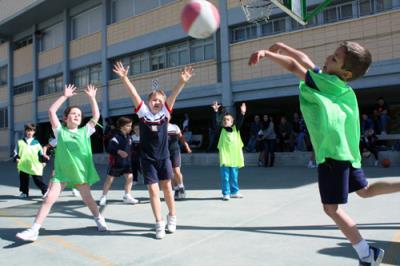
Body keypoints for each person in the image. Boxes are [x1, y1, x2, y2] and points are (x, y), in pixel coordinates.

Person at [249, 41, 400, 265]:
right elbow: (303, 58)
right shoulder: (339, 85)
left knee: (331, 208)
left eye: (335, 59)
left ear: (345, 72)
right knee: (365, 190)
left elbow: (293, 66)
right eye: (332, 54)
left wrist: (266, 54)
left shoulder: (325, 82)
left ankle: (367, 254)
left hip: (332, 154)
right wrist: (283, 46)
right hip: (347, 151)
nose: (328, 58)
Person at [16, 84, 108, 242]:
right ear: (65, 118)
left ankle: (99, 218)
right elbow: (51, 111)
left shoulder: (85, 131)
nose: (77, 116)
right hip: (62, 173)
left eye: (79, 114)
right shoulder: (60, 131)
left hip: (80, 173)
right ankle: (34, 229)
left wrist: (92, 98)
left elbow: (96, 116)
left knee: (89, 200)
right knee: (48, 199)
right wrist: (64, 96)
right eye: (73, 113)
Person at [113, 62, 193, 239]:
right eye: (154, 100)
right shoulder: (143, 114)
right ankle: (159, 223)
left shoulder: (165, 113)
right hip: (147, 159)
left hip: (164, 158)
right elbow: (134, 94)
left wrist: (182, 81)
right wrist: (125, 78)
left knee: (167, 188)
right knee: (153, 192)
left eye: (160, 100)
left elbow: (173, 95)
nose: (157, 102)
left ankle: (172, 216)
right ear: (148, 102)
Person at [99, 116, 139, 206]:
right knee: (109, 179)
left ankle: (127, 196)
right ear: (122, 126)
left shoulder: (129, 137)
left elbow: (132, 148)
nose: (130, 128)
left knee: (130, 177)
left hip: (127, 163)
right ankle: (103, 196)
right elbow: (110, 148)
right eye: (128, 126)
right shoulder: (115, 137)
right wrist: (118, 151)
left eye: (131, 125)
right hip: (116, 162)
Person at [213, 101, 246, 201]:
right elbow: (217, 121)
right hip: (225, 158)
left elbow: (240, 121)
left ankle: (235, 192)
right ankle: (226, 193)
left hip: (234, 157)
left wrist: (243, 113)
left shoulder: (236, 129)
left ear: (232, 122)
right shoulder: (221, 131)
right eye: (224, 120)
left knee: (234, 177)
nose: (225, 121)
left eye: (228, 120)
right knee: (225, 177)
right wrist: (216, 111)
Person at [13, 123, 48, 199]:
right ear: (25, 131)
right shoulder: (20, 142)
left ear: (34, 132)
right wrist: (16, 158)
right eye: (28, 130)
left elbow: (41, 153)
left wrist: (43, 161)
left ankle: (45, 191)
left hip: (34, 165)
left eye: (32, 131)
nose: (30, 132)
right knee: (23, 180)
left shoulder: (36, 143)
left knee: (38, 179)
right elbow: (16, 152)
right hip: (23, 164)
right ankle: (24, 192)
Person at [168, 119, 192, 200]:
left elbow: (181, 138)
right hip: (164, 153)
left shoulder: (174, 127)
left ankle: (181, 187)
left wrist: (187, 146)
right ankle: (176, 190)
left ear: (170, 117)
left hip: (174, 151)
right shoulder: (158, 127)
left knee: (176, 170)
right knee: (170, 173)